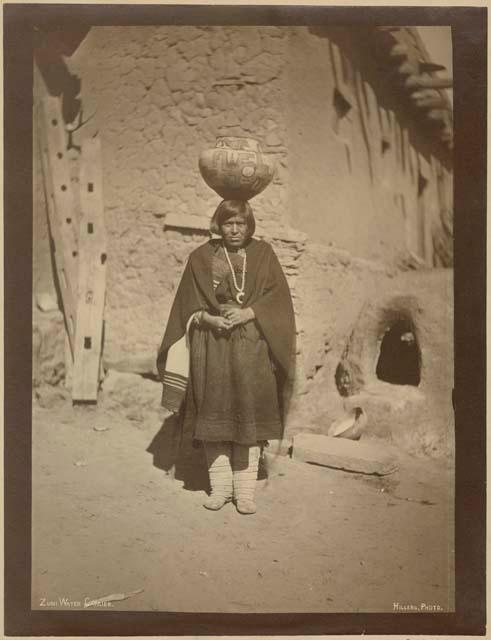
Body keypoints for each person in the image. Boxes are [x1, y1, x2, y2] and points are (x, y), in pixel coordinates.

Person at [157, 200, 295, 515]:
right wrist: (208, 319)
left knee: (248, 418)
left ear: (250, 226)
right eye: (228, 223)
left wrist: (249, 312)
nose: (234, 230)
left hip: (251, 350)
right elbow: (185, 306)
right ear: (219, 225)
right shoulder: (201, 257)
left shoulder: (264, 256)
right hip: (212, 348)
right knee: (213, 414)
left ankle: (244, 493)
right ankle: (220, 489)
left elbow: (279, 300)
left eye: (241, 224)